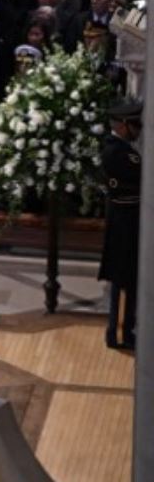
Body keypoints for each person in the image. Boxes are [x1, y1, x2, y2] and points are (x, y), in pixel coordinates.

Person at [100, 99, 140, 350]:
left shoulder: (116, 147)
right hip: (125, 222)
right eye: (135, 125)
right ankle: (121, 332)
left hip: (122, 219)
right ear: (124, 126)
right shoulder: (121, 153)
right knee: (125, 278)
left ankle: (119, 331)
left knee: (122, 279)